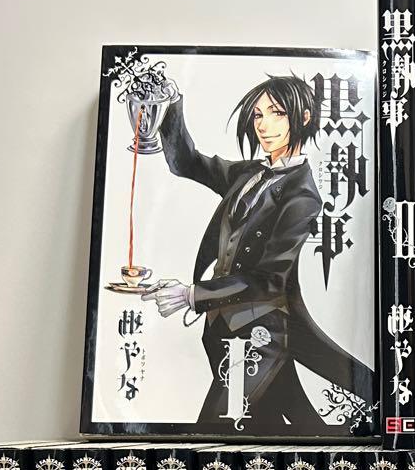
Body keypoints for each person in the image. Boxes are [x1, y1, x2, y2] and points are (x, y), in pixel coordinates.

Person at [142, 73, 374, 433]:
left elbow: (269, 281)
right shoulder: (249, 172)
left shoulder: (302, 196)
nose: (264, 125)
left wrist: (191, 295)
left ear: (304, 118)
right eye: (258, 115)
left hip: (260, 337)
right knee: (284, 430)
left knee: (212, 433)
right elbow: (186, 163)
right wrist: (171, 102)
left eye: (276, 113)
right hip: (223, 332)